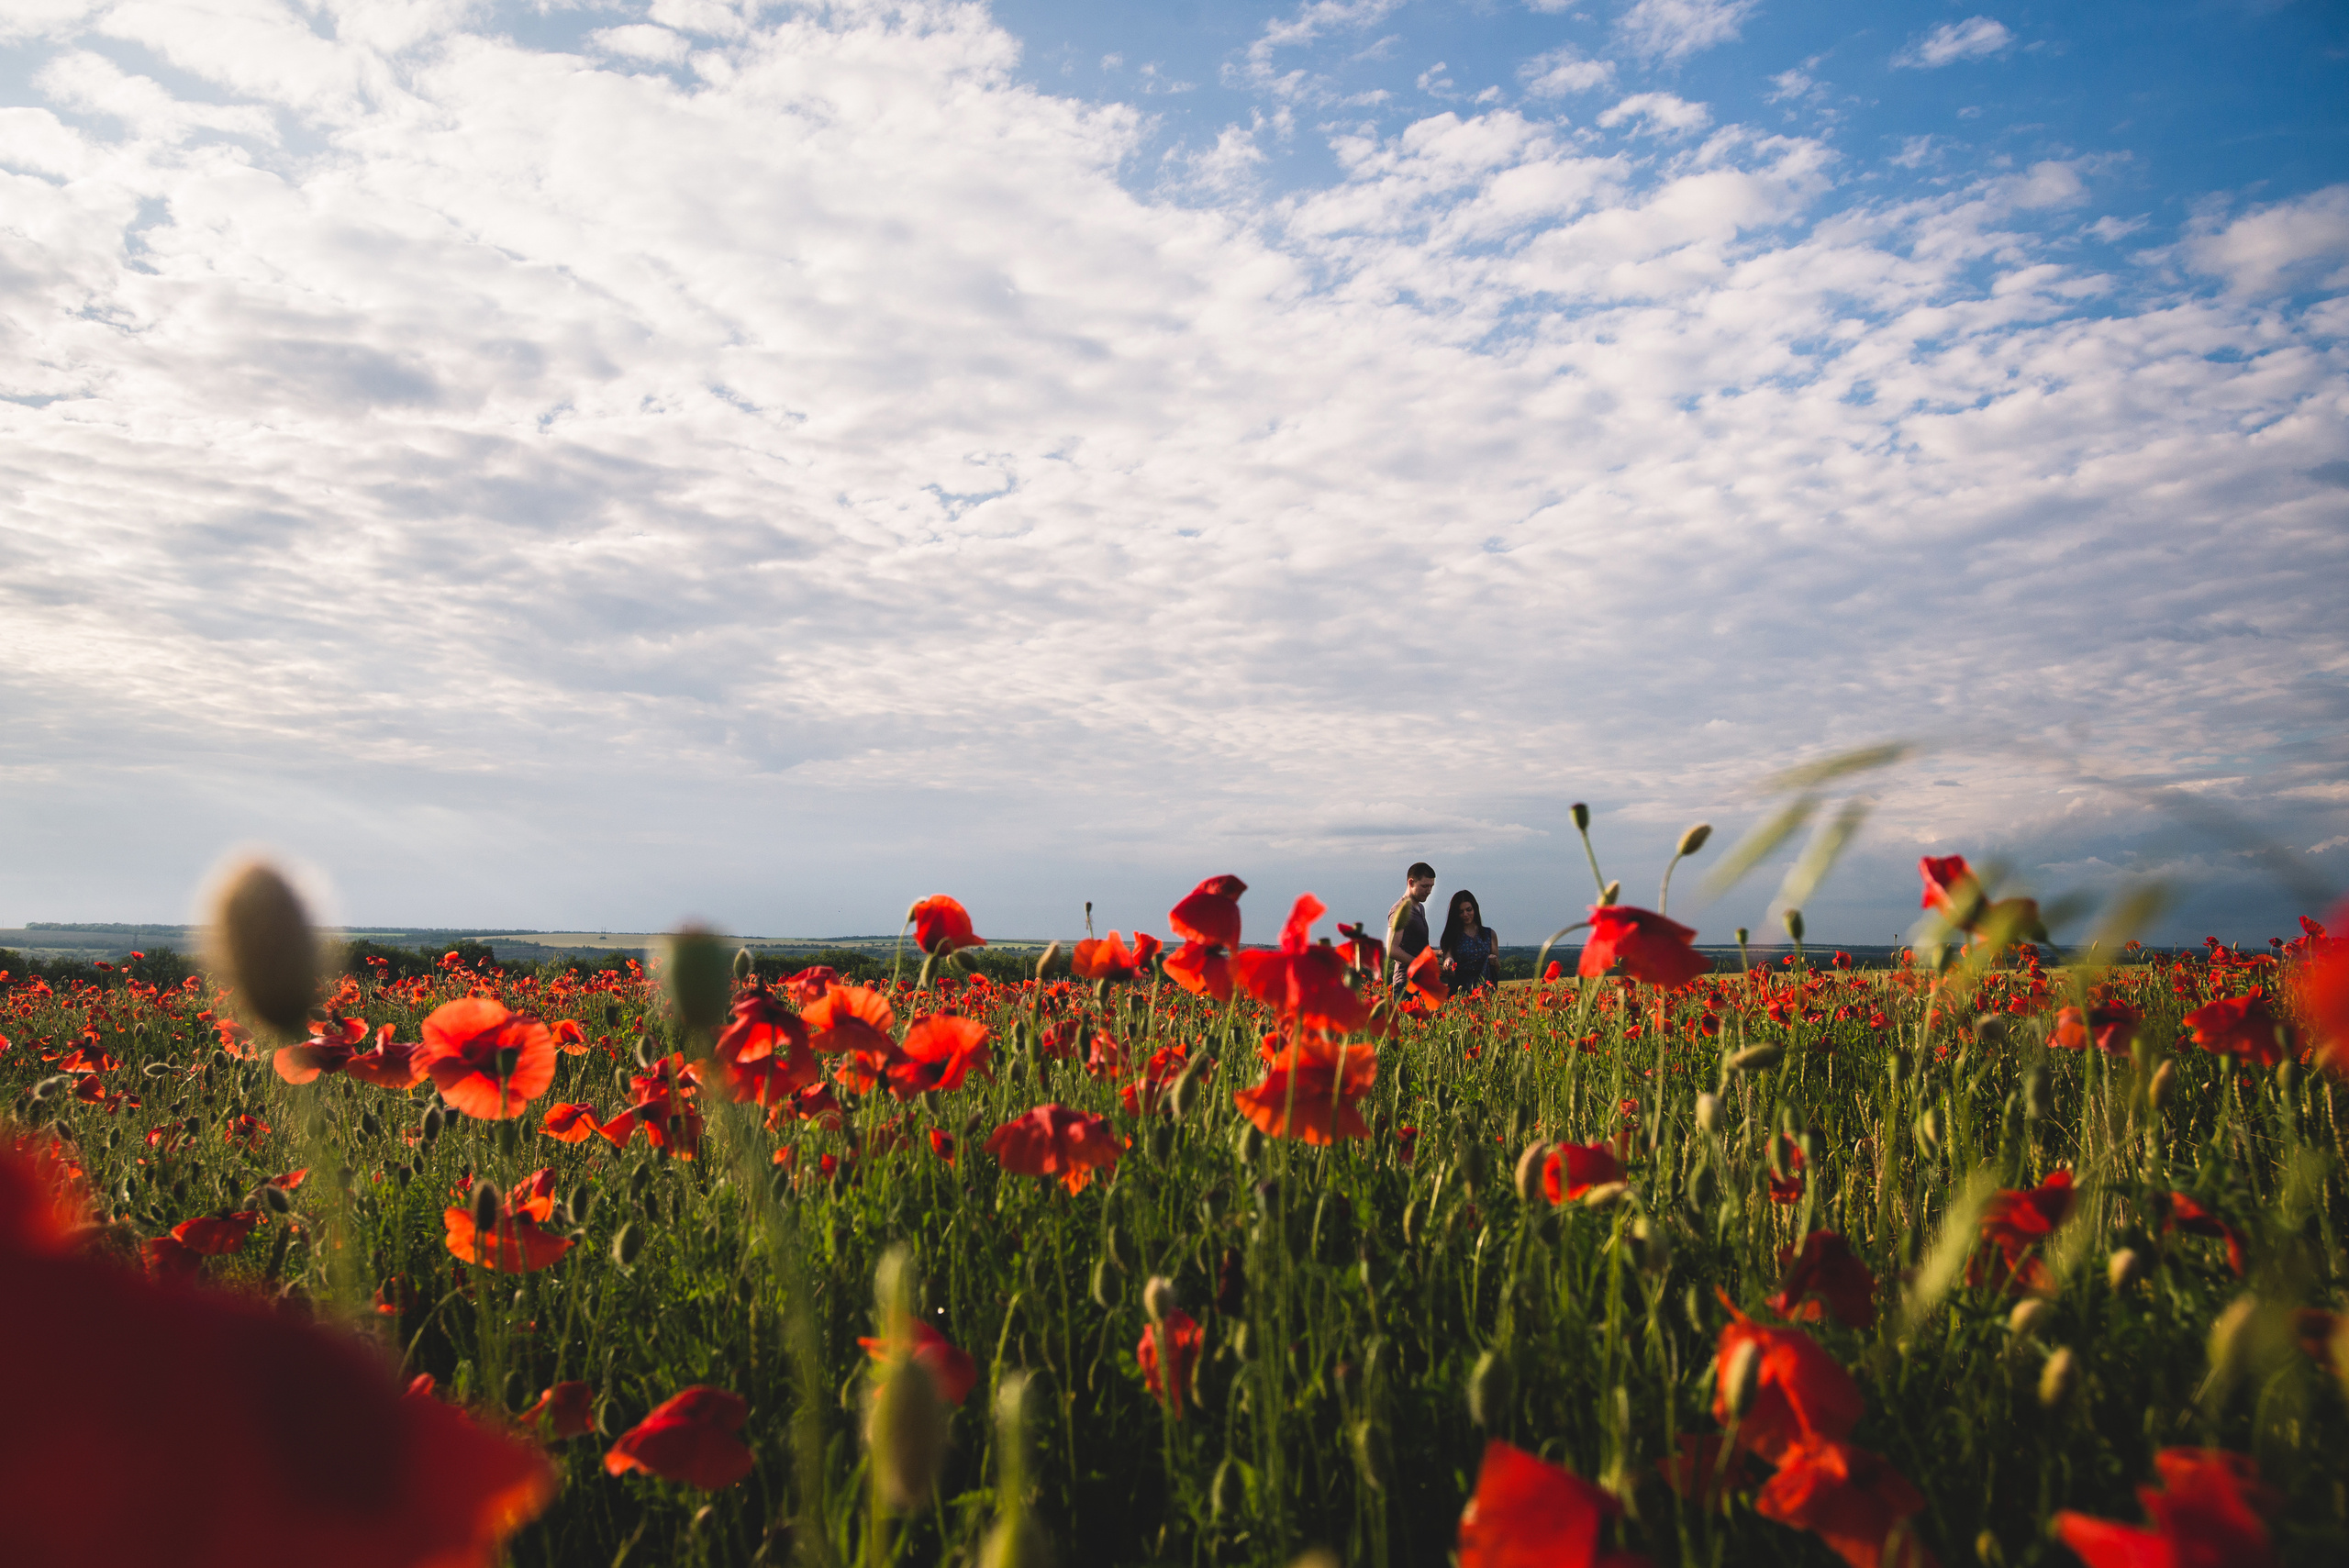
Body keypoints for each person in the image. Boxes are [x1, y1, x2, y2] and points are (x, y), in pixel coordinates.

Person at [1439, 889, 1499, 995]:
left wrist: (1495, 961)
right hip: (1461, 993)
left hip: (1486, 992)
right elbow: (1449, 963)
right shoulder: (1450, 936)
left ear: (1475, 909)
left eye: (1468, 910)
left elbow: (1497, 969)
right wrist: (1448, 963)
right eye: (1460, 912)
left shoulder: (1490, 934)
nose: (1465, 914)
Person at [1386, 862, 1434, 987]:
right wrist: (1419, 964)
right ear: (1411, 882)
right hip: (1404, 982)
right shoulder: (1399, 910)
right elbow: (1392, 949)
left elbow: (1417, 946)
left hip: (1420, 980)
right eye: (1425, 886)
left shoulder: (1420, 908)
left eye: (1431, 886)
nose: (1429, 891)